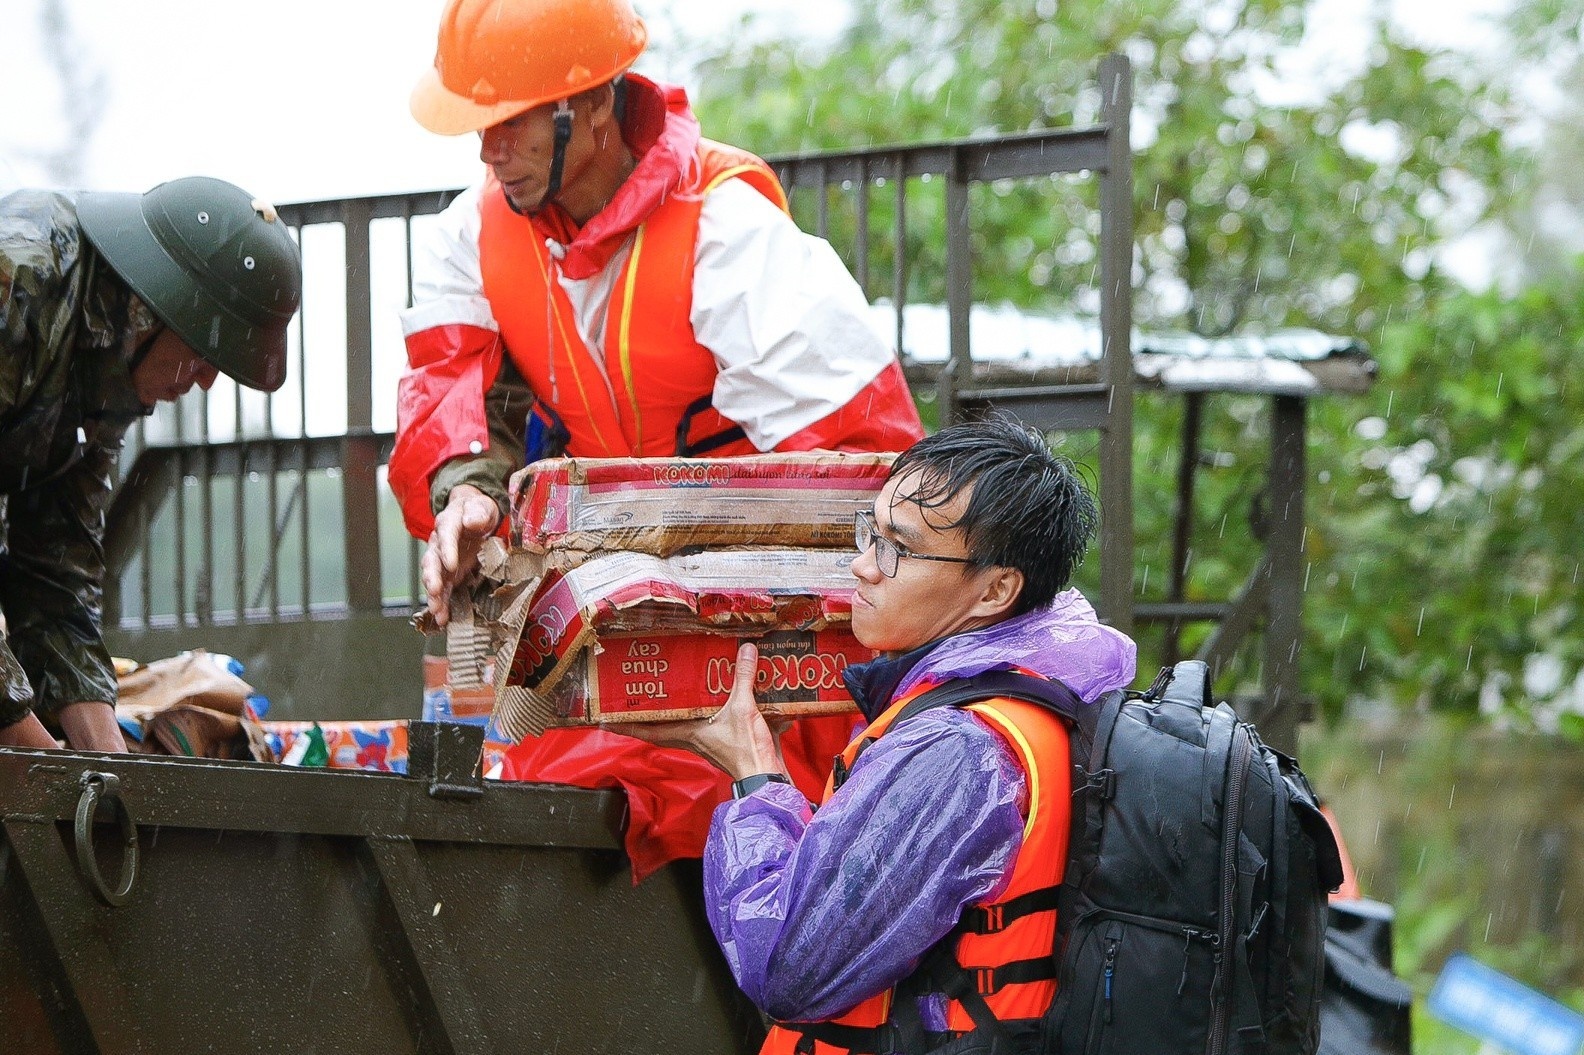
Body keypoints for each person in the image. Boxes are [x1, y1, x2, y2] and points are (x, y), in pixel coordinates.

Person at [389, 0, 924, 625]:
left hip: (763, 593)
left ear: (594, 104)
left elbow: (859, 464)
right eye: (480, 125)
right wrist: (471, 491)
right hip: (595, 589)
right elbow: (453, 392)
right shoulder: (468, 237)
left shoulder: (726, 228)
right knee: (541, 725)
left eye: (511, 119)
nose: (490, 151)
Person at [620, 417, 1138, 1054]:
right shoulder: (1032, 699)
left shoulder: (959, 750)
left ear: (996, 589)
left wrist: (754, 773)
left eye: (900, 547)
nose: (863, 567)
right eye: (871, 532)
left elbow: (787, 967)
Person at [0, 176, 302, 752]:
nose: (209, 380)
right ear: (154, 308)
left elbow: (54, 574)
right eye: (205, 350)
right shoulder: (21, 275)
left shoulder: (108, 368)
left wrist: (109, 766)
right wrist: (39, 761)